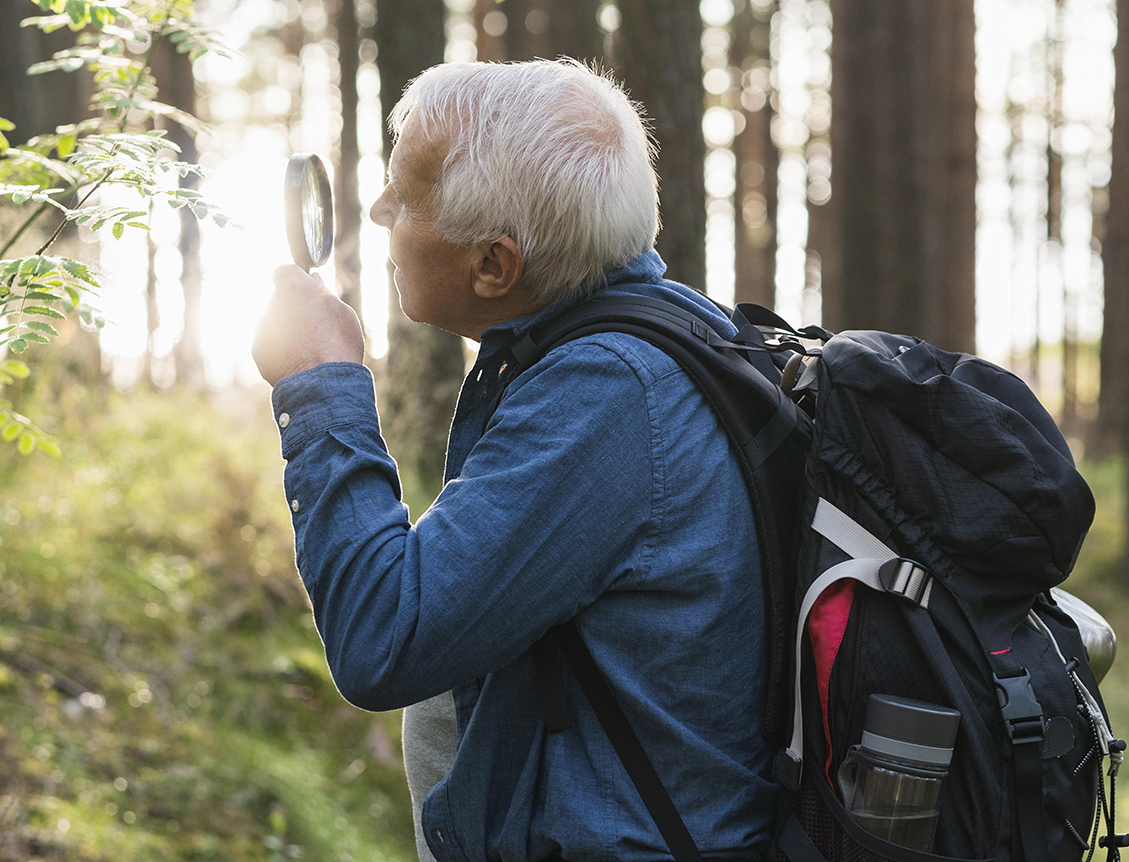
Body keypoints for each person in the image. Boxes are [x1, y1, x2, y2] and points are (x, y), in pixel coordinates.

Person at [252, 60, 775, 862]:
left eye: (407, 195)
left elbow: (383, 637)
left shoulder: (607, 395)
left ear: (494, 265)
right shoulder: (672, 329)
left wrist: (323, 384)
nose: (380, 207)